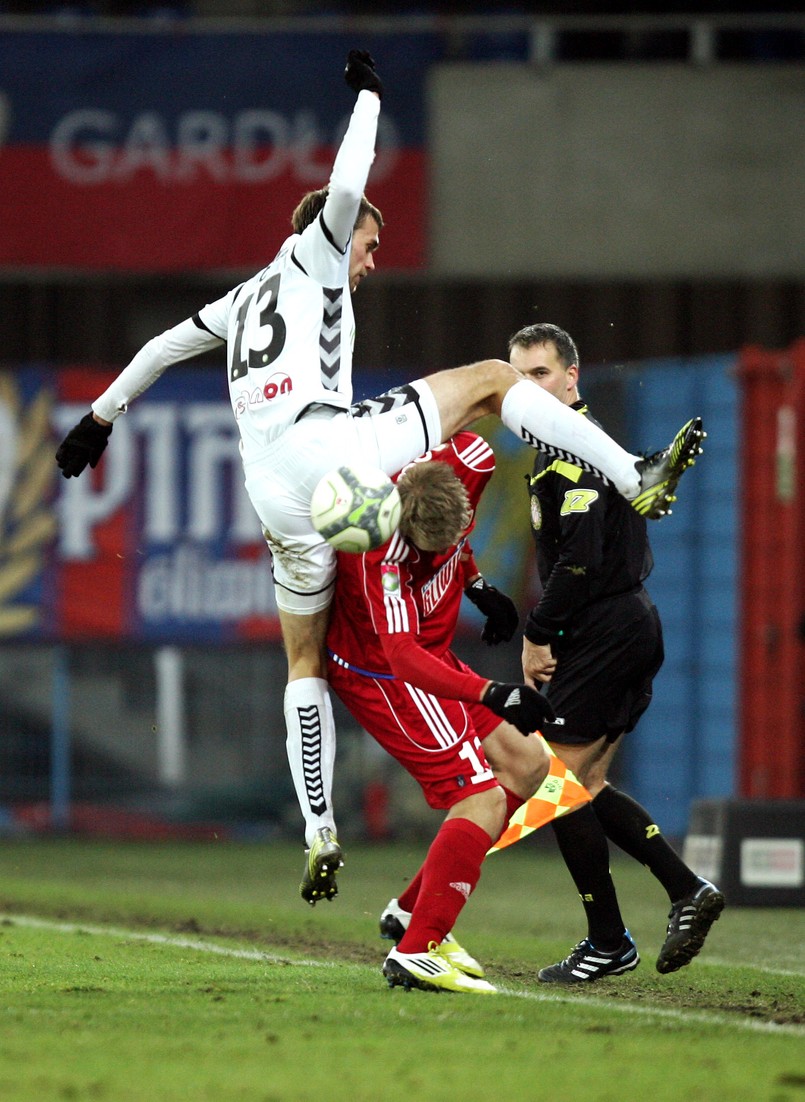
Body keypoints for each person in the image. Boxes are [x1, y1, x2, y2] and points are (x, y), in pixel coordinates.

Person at [54, 50, 702, 909]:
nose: (369, 259)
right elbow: (347, 179)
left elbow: (159, 350)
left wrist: (100, 417)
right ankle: (633, 472)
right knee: (490, 380)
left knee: (301, 659)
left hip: (277, 496)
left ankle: (319, 827)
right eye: (368, 244)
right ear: (332, 229)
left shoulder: (242, 299)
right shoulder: (315, 252)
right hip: (329, 451)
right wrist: (367, 96)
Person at [510, 322, 724, 983]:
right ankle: (685, 890)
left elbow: (578, 563)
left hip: (606, 628)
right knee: (581, 786)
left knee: (551, 786)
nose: (528, 390)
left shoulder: (572, 457)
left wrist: (537, 633)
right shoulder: (574, 449)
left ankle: (609, 938)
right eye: (517, 379)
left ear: (571, 376)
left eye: (540, 374)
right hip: (623, 624)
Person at [326, 431, 557, 994]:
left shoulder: (468, 463)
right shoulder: (377, 554)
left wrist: (477, 584)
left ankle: (410, 912)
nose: (440, 553)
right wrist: (490, 692)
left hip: (433, 657)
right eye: (430, 548)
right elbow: (403, 658)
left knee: (529, 767)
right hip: (384, 676)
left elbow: (459, 527)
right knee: (478, 795)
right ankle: (416, 951)